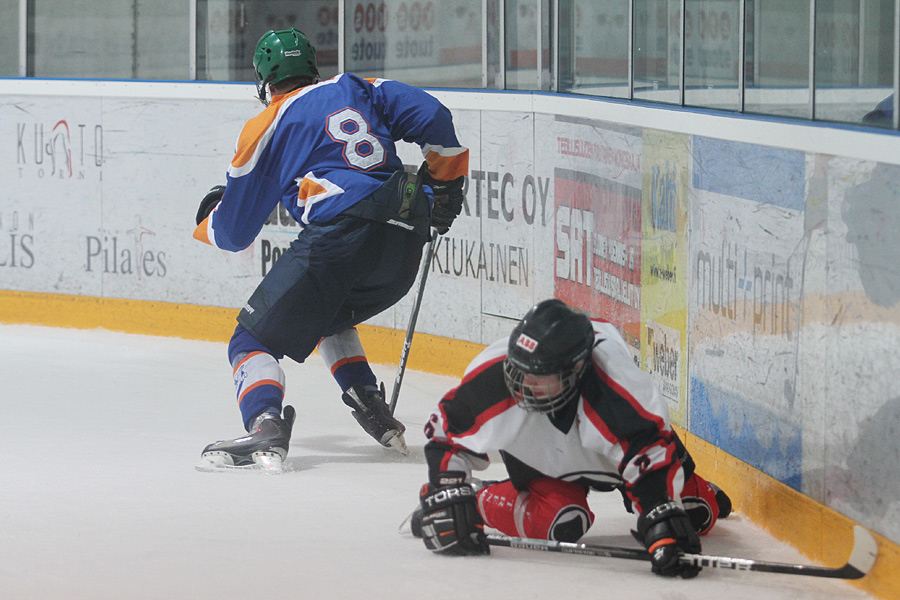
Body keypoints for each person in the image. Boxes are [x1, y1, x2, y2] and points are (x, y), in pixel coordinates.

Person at [192, 28, 467, 472]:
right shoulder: (356, 87)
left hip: (344, 234)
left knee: (250, 339)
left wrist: (207, 223)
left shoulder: (268, 123)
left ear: (265, 82)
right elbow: (433, 114)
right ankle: (368, 400)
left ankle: (265, 425)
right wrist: (447, 184)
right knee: (326, 312)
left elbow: (233, 233)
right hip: (405, 234)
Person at [410, 299, 731, 578]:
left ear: (576, 370)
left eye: (539, 376)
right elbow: (445, 434)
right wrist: (449, 491)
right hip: (538, 452)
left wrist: (660, 511)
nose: (523, 385)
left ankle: (694, 488)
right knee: (560, 522)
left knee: (696, 512)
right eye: (519, 371)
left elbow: (647, 452)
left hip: (612, 453)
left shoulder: (616, 392)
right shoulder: (492, 381)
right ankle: (482, 500)